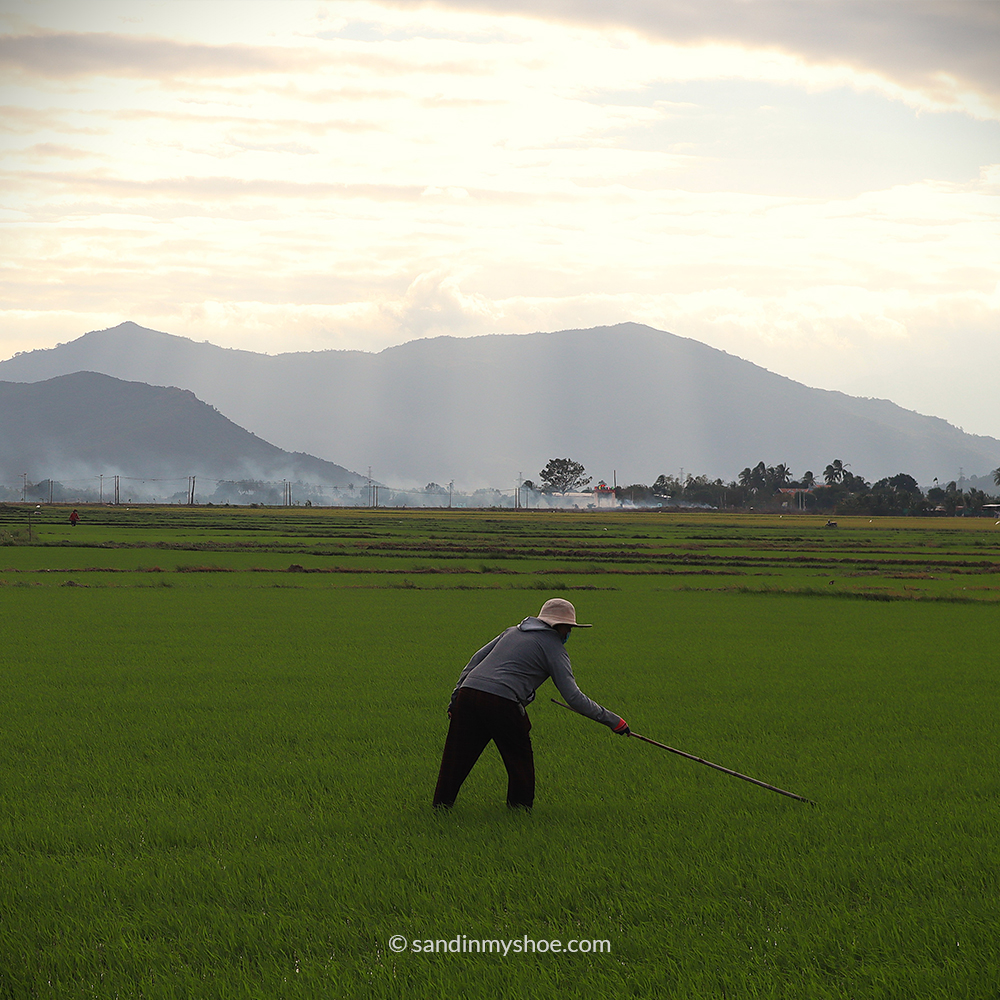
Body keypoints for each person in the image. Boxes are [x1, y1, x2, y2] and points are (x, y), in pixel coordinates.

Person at [432, 598, 629, 810]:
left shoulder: (512, 632)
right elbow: (573, 697)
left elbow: (474, 662)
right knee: (519, 760)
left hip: (468, 694)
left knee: (456, 756)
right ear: (560, 626)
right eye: (569, 628)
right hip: (503, 701)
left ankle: (441, 807)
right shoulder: (554, 648)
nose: (568, 633)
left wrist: (455, 700)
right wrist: (613, 721)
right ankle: (519, 810)